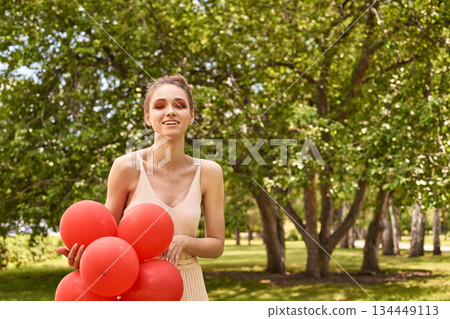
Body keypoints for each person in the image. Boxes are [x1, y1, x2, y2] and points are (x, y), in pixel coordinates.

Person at [56, 74, 225, 301]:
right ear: (148, 117)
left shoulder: (210, 172)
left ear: (191, 116)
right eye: (159, 106)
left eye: (180, 105)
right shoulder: (126, 167)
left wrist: (183, 241)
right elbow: (107, 236)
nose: (170, 111)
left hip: (190, 287)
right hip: (138, 288)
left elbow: (217, 245)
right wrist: (87, 257)